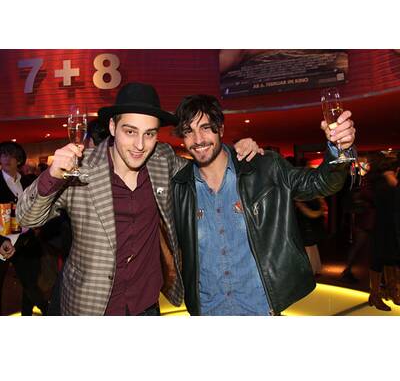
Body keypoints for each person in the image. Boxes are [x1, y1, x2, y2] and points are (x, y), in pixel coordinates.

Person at [16, 82, 261, 316]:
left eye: (149, 134)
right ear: (113, 127)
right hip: (90, 307)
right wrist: (51, 176)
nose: (140, 145)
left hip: (146, 306)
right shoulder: (81, 169)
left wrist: (237, 150)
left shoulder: (161, 160)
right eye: (130, 132)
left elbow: (206, 166)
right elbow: (27, 218)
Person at [172, 94, 356, 316]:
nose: (198, 139)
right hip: (207, 311)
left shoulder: (264, 167)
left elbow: (321, 183)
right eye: (188, 131)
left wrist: (339, 149)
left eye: (205, 128)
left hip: (259, 308)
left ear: (220, 129)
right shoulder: (179, 188)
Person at [0, 141, 48, 315]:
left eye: (11, 155)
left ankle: (31, 315)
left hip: (26, 240)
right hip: (2, 242)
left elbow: (39, 206)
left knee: (30, 285)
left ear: (19, 160)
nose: (6, 158)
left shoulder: (28, 181)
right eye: (3, 154)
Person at [367, 152, 400, 311]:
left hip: (388, 225)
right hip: (381, 225)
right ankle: (375, 295)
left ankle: (391, 291)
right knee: (379, 259)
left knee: (390, 258)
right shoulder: (381, 181)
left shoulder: (385, 180)